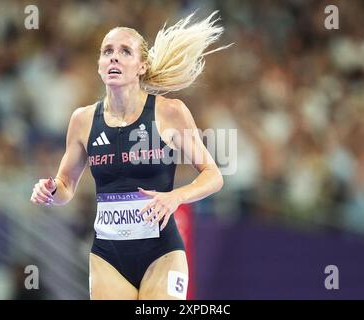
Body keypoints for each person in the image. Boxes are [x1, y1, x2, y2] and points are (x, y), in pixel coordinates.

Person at [30, 11, 229, 300]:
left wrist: (176, 197)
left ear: (141, 66)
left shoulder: (169, 112)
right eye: (107, 52)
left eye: (125, 51)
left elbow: (214, 175)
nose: (114, 57)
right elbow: (65, 186)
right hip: (108, 257)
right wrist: (50, 190)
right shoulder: (83, 120)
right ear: (99, 66)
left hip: (161, 252)